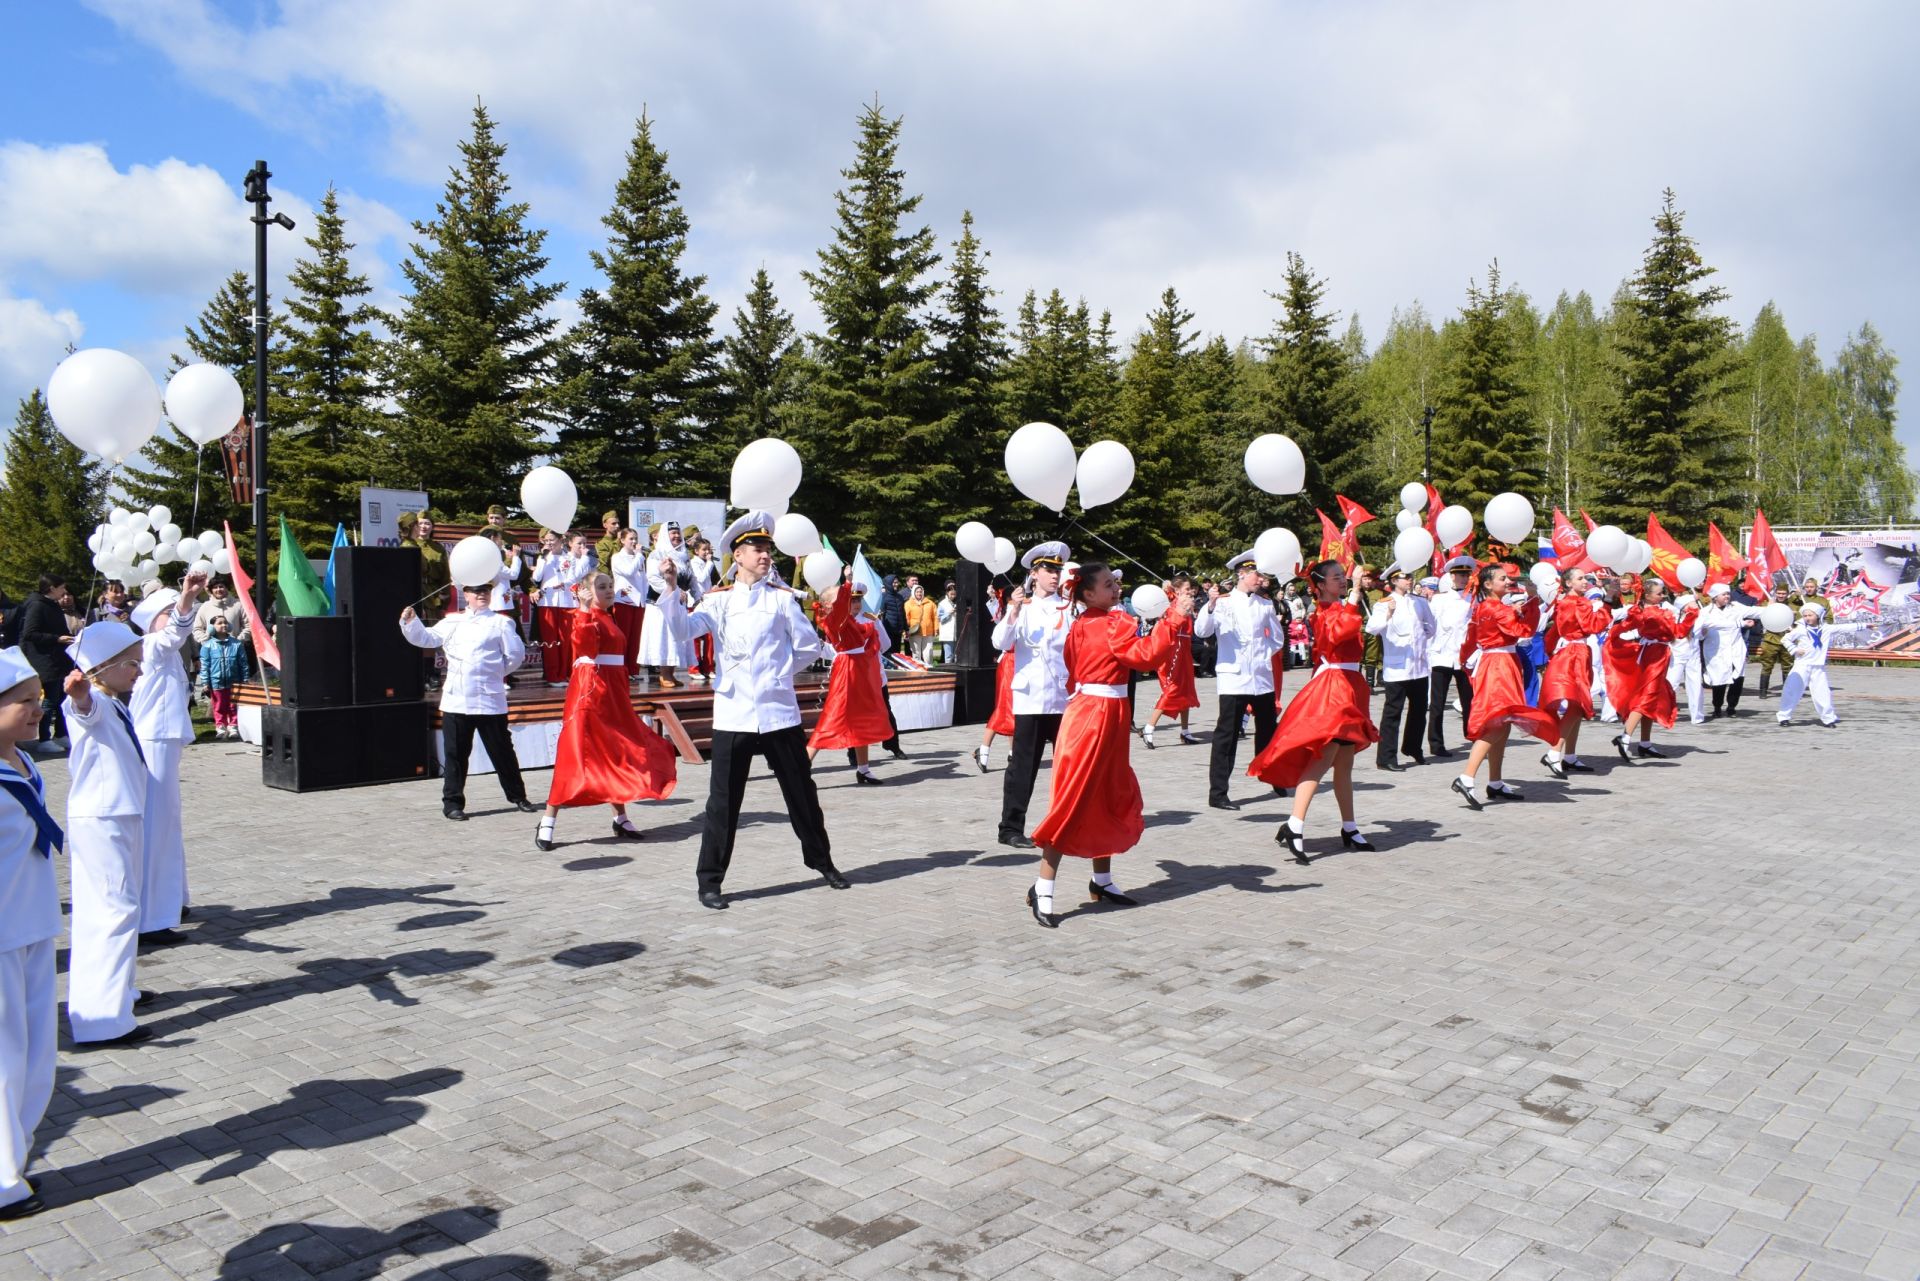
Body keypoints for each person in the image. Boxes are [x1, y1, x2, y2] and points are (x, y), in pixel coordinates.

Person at [682, 512, 847, 910]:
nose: (766, 555)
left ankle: (822, 862)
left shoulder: (781, 599)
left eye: (769, 549)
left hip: (778, 713)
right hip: (734, 714)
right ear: (737, 555)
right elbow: (685, 630)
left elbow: (808, 645)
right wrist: (671, 590)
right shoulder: (717, 602)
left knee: (802, 794)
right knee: (723, 802)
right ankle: (710, 881)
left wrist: (780, 673)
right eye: (758, 549)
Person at [1024, 565, 1191, 927]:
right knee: (1076, 799)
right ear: (1086, 594)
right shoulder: (1111, 624)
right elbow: (1146, 656)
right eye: (1108, 584)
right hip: (1096, 716)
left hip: (1099, 712)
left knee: (1107, 794)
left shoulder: (1084, 624)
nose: (1117, 588)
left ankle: (1102, 881)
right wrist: (1175, 617)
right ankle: (1043, 887)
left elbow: (1073, 667)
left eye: (1117, 583)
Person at [534, 573, 678, 851]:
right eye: (602, 587)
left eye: (610, 586)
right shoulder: (582, 616)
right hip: (591, 692)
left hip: (612, 691)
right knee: (576, 753)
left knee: (616, 753)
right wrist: (585, 610)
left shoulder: (608, 617)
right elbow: (585, 648)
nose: (609, 590)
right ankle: (548, 819)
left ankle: (620, 818)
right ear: (586, 592)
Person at [59, 621, 151, 1046]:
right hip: (103, 817)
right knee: (112, 912)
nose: (139, 670)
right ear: (103, 667)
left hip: (121, 813)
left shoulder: (113, 700)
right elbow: (84, 711)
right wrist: (79, 694)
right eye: (132, 663)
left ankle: (121, 992)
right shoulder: (91, 700)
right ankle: (101, 1019)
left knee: (125, 906)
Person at [1249, 560, 1378, 860]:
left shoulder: (1341, 608)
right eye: (1336, 578)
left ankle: (1349, 826)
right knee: (1323, 760)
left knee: (1344, 763)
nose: (1343, 581)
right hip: (1334, 690)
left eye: (1344, 577)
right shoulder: (1322, 612)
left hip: (1350, 685)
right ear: (1319, 585)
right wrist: (1356, 595)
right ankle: (1295, 824)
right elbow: (1338, 635)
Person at [0, 648, 61, 1219]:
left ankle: (15, 1153)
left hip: (34, 920)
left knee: (38, 1049)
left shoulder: (22, 761)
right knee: (3, 1054)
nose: (37, 711)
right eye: (23, 702)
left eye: (39, 700)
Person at [400, 585, 542, 821]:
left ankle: (518, 796)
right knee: (455, 753)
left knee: (502, 751)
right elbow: (426, 638)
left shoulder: (501, 623)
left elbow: (515, 655)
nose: (481, 595)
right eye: (476, 591)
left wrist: (495, 673)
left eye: (485, 591)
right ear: (465, 595)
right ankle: (452, 803)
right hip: (458, 699)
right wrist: (410, 622)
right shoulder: (452, 622)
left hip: (489, 699)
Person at [129, 578, 207, 941]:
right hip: (153, 739)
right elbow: (172, 633)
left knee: (168, 824)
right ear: (153, 620)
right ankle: (151, 917)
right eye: (168, 611)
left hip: (164, 739)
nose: (178, 616)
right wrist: (188, 598)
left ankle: (172, 899)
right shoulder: (151, 646)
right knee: (158, 827)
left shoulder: (164, 652)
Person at [1451, 563, 1559, 810]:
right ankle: (1467, 777)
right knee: (1496, 723)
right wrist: (1532, 602)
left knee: (1503, 723)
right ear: (1488, 584)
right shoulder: (1497, 608)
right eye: (1502, 579)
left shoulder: (1486, 607)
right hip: (1499, 665)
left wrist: (1520, 607)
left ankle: (1495, 782)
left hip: (1500, 662)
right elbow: (1523, 631)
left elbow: (1479, 635)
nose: (1507, 581)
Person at [993, 544, 1072, 847]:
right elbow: (1000, 642)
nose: (1055, 575)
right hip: (1031, 697)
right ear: (1034, 574)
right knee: (1023, 766)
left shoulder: (1068, 608)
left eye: (1058, 570)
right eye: (1049, 570)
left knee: (1068, 764)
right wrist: (1012, 611)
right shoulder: (1022, 607)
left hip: (1062, 697)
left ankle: (1064, 820)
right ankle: (1010, 828)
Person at [1193, 552, 1283, 810]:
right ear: (1242, 574)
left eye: (1262, 575)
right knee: (1227, 735)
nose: (1261, 579)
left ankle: (1273, 777)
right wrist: (1209, 607)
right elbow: (1202, 631)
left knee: (1268, 731)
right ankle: (1218, 793)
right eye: (1256, 574)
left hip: (1261, 677)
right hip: (1234, 678)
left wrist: (1264, 654)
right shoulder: (1222, 602)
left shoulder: (1265, 604)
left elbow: (1277, 639)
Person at [808, 578, 895, 783]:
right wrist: (847, 583)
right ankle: (802, 767)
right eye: (843, 598)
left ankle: (863, 769)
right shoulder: (834, 618)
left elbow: (867, 635)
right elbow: (845, 616)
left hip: (859, 670)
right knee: (832, 718)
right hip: (848, 673)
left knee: (861, 719)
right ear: (831, 604)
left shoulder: (847, 620)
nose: (848, 601)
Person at [1537, 568, 1610, 778]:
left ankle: (1569, 756)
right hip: (1574, 654)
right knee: (1577, 706)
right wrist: (1604, 606)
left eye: (1585, 577)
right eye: (1580, 578)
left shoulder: (1570, 602)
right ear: (1568, 583)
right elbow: (1592, 625)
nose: (1585, 581)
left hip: (1576, 652)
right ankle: (1554, 752)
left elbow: (1555, 632)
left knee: (1576, 707)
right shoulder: (1576, 603)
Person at [1609, 577, 1692, 761]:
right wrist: (1692, 613)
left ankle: (1644, 743)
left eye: (1663, 592)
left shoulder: (1652, 610)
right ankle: (1625, 736)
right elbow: (1677, 632)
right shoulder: (1653, 613)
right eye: (1659, 593)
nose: (1663, 596)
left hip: (1656, 652)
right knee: (1647, 696)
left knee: (1651, 697)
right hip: (1654, 654)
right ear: (1647, 595)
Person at [1366, 567, 1435, 771]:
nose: (1410, 580)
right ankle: (1386, 757)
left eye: (1411, 577)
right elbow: (1372, 628)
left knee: (1419, 710)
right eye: (1406, 578)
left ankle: (1413, 747)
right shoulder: (1384, 603)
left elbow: (1431, 627)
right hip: (1397, 668)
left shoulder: (1420, 602)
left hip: (1418, 666)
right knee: (1392, 713)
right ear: (1394, 580)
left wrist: (1420, 639)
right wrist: (1388, 614)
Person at [13, 577, 74, 750]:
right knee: (50, 699)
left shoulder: (52, 605)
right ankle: (44, 738)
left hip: (58, 660)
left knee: (62, 698)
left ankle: (61, 734)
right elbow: (30, 633)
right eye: (61, 588)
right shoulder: (37, 605)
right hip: (45, 660)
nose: (64, 592)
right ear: (52, 588)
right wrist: (57, 639)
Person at [1425, 556, 1476, 758]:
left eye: (1466, 574)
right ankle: (1436, 744)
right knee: (1437, 703)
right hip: (1441, 656)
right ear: (1452, 577)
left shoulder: (1473, 599)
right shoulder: (1439, 599)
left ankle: (1472, 736)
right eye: (1459, 574)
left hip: (1464, 656)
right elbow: (1430, 627)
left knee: (1469, 701)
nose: (1463, 578)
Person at [1142, 576, 1201, 748]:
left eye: (1191, 588)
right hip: (1172, 652)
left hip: (1184, 650)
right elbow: (1167, 628)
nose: (1190, 591)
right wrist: (1182, 611)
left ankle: (1185, 731)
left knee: (1186, 689)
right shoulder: (1168, 607)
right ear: (1176, 591)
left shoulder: (1185, 604)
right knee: (1172, 689)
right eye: (1187, 588)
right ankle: (1149, 727)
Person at [531, 529, 589, 686]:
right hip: (547, 602)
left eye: (552, 540)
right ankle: (552, 675)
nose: (549, 543)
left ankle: (565, 673)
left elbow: (575, 576)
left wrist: (583, 558)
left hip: (566, 601)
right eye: (546, 540)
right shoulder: (543, 557)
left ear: (561, 541)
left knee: (565, 640)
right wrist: (543, 558)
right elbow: (536, 577)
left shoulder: (569, 557)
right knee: (550, 641)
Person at [1698, 581, 1763, 717]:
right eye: (1724, 594)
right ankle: (1717, 707)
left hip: (1735, 649)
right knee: (1719, 680)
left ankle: (1732, 707)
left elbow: (1756, 612)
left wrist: (1774, 609)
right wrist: (1702, 632)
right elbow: (1703, 631)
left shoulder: (1736, 607)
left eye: (1728, 594)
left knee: (1737, 679)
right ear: (1715, 597)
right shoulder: (1705, 612)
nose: (1727, 596)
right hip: (1716, 651)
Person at [638, 523, 691, 686]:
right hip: (660, 604)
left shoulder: (683, 555)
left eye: (678, 533)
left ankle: (671, 674)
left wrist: (698, 594)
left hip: (679, 604)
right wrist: (675, 592)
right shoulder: (656, 555)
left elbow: (691, 578)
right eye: (672, 533)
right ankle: (664, 675)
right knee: (664, 639)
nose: (676, 536)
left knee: (676, 638)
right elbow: (654, 580)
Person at [974, 588, 1016, 773]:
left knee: (1016, 710)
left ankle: (1013, 753)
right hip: (1010, 665)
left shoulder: (1026, 613)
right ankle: (984, 750)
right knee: (1004, 707)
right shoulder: (1007, 616)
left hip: (1021, 665)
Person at [1776, 604, 1838, 727]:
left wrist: (1865, 625)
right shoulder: (1801, 629)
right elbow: (1785, 639)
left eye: (1810, 615)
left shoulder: (1826, 628)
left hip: (1818, 667)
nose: (1807, 618)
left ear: (1818, 615)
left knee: (1822, 693)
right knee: (1792, 690)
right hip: (1802, 665)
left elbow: (1845, 628)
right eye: (1805, 616)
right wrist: (1794, 650)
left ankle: (1828, 718)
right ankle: (1784, 717)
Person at [198, 612, 250, 740]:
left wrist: (245, 679)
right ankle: (220, 727)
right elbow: (205, 665)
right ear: (212, 627)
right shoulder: (208, 646)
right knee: (219, 705)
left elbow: (243, 663)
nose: (223, 625)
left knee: (233, 705)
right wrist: (205, 682)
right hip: (217, 682)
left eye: (225, 622)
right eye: (220, 623)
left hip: (234, 681)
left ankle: (233, 726)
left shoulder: (236, 644)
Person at [608, 527, 648, 685]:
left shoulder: (639, 557)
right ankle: (622, 668)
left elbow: (643, 580)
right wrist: (639, 556)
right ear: (622, 540)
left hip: (638, 601)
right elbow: (629, 572)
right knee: (623, 636)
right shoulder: (617, 557)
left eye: (635, 538)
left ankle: (633, 669)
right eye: (630, 539)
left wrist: (645, 599)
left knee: (636, 637)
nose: (634, 542)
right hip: (624, 599)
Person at [401, 512, 450, 626]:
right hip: (415, 593)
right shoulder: (408, 545)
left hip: (433, 597)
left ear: (432, 527)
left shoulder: (438, 549)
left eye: (427, 523)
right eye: (420, 523)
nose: (423, 526)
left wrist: (443, 601)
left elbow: (445, 576)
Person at [686, 537, 719, 682]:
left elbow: (707, 581)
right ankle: (694, 668)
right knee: (695, 638)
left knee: (710, 638)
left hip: (707, 603)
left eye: (709, 549)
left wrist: (713, 589)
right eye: (704, 550)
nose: (707, 552)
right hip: (694, 603)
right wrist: (710, 562)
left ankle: (709, 667)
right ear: (696, 551)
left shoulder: (707, 564)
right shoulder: (693, 563)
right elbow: (699, 578)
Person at [1755, 584, 1795, 696]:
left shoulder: (1792, 606)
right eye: (1779, 593)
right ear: (1775, 593)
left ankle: (1788, 692)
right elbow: (1759, 614)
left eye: (1783, 593)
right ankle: (1763, 691)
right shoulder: (1769, 604)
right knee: (1767, 665)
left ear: (1787, 594)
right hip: (1770, 639)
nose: (1781, 596)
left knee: (1787, 666)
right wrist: (1767, 607)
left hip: (1787, 639)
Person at [1355, 565, 1385, 690]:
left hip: (1373, 628)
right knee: (1358, 657)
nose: (1367, 581)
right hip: (1358, 628)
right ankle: (1356, 682)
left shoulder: (1380, 594)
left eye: (1369, 579)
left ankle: (1369, 684)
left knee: (1371, 657)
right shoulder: (1355, 593)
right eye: (1364, 578)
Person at [904, 584, 939, 665]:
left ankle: (929, 668)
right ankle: (918, 668)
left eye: (921, 592)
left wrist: (936, 629)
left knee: (928, 651)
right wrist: (906, 631)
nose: (919, 593)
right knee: (916, 652)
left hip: (928, 631)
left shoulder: (930, 603)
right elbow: (906, 618)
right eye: (917, 592)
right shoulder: (908, 604)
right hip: (914, 631)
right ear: (913, 593)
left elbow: (935, 617)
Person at [936, 582, 959, 665]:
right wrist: (949, 613)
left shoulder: (958, 602)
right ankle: (949, 672)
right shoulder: (942, 604)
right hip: (947, 633)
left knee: (957, 655)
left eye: (954, 594)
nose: (953, 596)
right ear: (947, 593)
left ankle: (957, 673)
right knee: (949, 656)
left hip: (957, 633)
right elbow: (940, 618)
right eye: (951, 594)